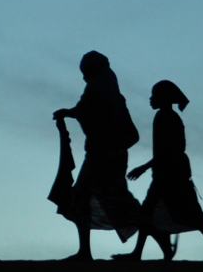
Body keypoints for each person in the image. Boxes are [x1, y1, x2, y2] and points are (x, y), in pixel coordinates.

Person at [118, 79, 203, 262]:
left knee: (159, 211)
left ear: (163, 98)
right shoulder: (168, 117)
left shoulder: (165, 118)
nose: (150, 99)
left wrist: (144, 167)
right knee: (177, 212)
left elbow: (167, 150)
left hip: (169, 174)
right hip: (171, 172)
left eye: (154, 96)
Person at [52, 50, 142, 260]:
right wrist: (69, 113)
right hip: (99, 156)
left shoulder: (107, 94)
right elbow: (85, 110)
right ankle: (85, 251)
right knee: (85, 198)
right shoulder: (99, 91)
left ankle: (152, 229)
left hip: (106, 157)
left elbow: (91, 113)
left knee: (114, 201)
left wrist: (70, 113)